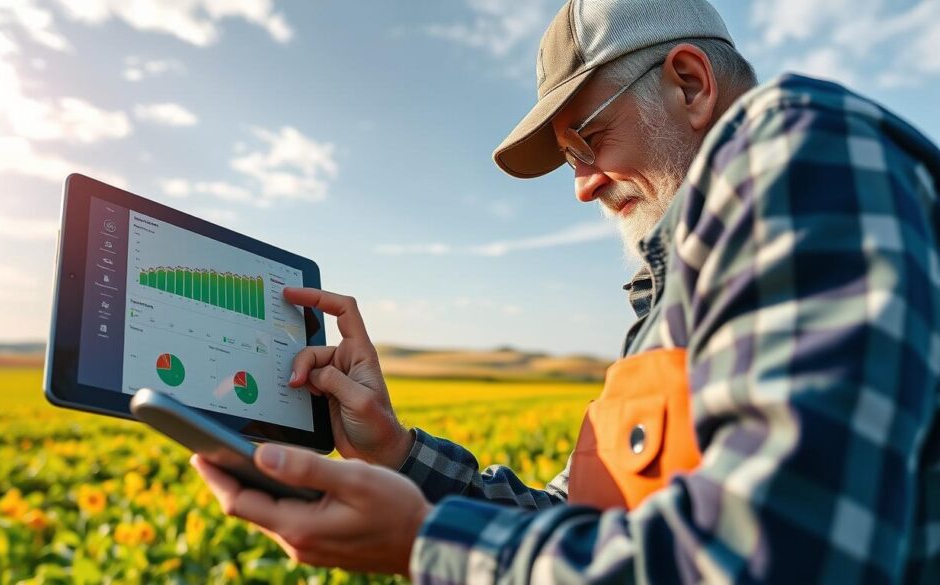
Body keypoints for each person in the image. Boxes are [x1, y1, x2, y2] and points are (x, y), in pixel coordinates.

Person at [192, 0, 940, 582]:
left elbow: (782, 559)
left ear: (690, 82)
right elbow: (580, 518)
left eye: (589, 139)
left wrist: (427, 543)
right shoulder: (666, 302)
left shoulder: (802, 156)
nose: (581, 186)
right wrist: (394, 452)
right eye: (567, 159)